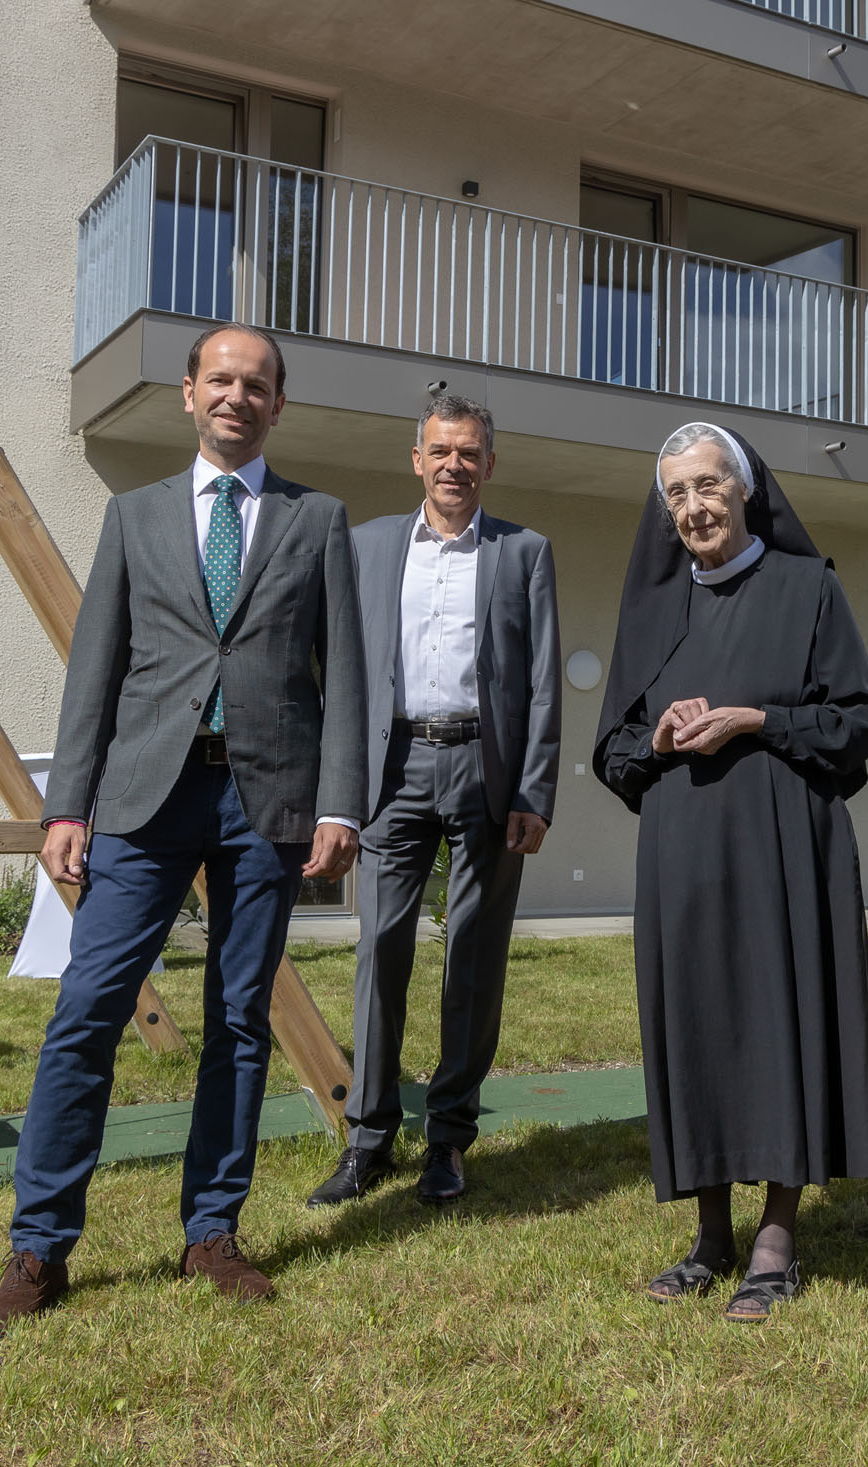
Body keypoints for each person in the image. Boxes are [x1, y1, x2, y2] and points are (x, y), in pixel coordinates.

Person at [0, 324, 364, 1333]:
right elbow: (95, 667)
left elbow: (346, 674)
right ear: (189, 393)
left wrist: (337, 803)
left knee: (238, 1019)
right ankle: (39, 1245)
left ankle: (211, 1234)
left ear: (278, 405)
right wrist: (68, 803)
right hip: (143, 797)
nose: (239, 396)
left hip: (266, 803)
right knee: (86, 1008)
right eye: (221, 380)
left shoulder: (318, 520)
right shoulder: (133, 515)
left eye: (258, 385)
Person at [593, 422, 868, 1323]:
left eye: (709, 484)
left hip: (783, 847)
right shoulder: (654, 608)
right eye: (677, 493)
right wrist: (658, 737)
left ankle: (775, 1240)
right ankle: (709, 1236)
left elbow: (856, 723)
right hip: (682, 856)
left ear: (747, 488)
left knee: (779, 1021)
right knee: (699, 1028)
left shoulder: (808, 588)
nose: (694, 507)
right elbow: (612, 753)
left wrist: (758, 719)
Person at [306, 395, 561, 1209]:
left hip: (488, 769)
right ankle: (368, 1138)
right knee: (381, 948)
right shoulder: (368, 545)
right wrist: (339, 790)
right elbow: (340, 671)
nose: (456, 465)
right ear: (416, 459)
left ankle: (448, 1136)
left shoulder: (525, 552)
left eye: (470, 452)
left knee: (473, 957)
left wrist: (535, 790)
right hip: (396, 768)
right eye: (441, 451)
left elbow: (543, 682)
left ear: (490, 463)